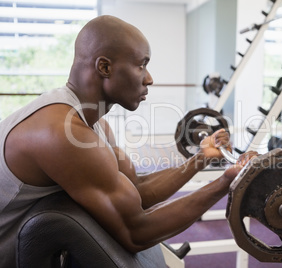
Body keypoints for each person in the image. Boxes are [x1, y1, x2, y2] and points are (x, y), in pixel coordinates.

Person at [0, 15, 257, 266]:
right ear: (105, 67)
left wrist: (200, 159)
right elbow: (136, 232)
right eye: (141, 65)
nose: (149, 78)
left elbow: (138, 190)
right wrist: (226, 183)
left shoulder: (95, 123)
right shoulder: (62, 132)